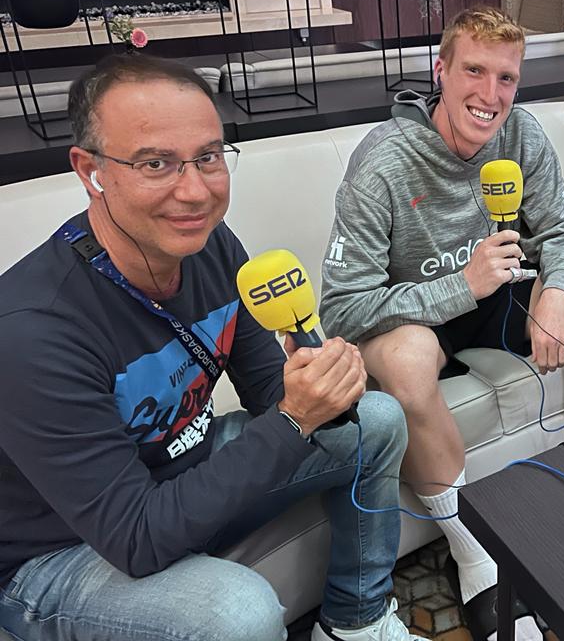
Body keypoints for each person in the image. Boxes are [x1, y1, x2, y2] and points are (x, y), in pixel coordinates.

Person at [0, 54, 419, 641]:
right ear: (90, 170)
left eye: (208, 156)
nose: (195, 191)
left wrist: (318, 374)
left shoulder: (213, 247)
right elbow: (137, 538)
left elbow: (268, 389)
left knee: (373, 421)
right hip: (61, 551)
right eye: (156, 163)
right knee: (234, 613)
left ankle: (357, 620)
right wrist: (297, 415)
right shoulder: (30, 331)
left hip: (180, 470)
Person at [319, 6, 564, 641]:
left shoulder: (521, 135)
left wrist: (561, 295)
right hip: (419, 315)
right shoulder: (383, 160)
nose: (490, 96)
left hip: (500, 295)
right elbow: (343, 307)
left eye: (506, 78)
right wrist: (457, 287)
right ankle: (474, 554)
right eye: (474, 71)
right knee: (408, 358)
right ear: (440, 70)